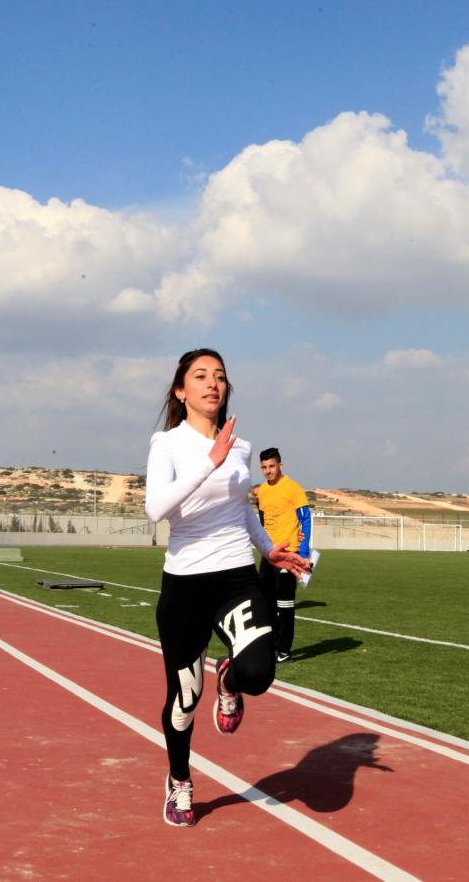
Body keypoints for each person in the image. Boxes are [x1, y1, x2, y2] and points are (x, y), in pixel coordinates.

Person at [145, 348, 309, 828]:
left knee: (259, 672)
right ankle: (179, 781)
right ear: (182, 391)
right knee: (183, 703)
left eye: (219, 376)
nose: (212, 383)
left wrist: (268, 548)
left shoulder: (239, 445)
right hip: (185, 583)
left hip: (236, 572)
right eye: (200, 376)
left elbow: (241, 510)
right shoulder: (167, 444)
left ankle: (231, 679)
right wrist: (206, 464)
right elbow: (157, 510)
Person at [254, 447, 311, 664]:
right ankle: (271, 646)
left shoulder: (293, 489)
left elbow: (306, 520)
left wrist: (303, 553)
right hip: (269, 555)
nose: (268, 471)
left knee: (284, 604)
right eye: (264, 467)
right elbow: (262, 522)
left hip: (289, 554)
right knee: (266, 603)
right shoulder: (262, 492)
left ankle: (284, 650)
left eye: (271, 466)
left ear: (280, 465)